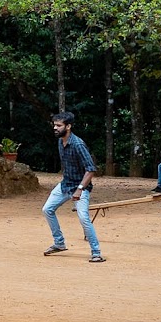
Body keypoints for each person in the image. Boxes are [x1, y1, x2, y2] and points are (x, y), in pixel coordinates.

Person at [42, 111, 104, 263]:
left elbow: (91, 169)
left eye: (59, 125)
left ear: (68, 126)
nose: (55, 128)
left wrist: (80, 189)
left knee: (83, 218)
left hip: (80, 186)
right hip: (65, 184)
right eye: (54, 125)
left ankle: (96, 252)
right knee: (47, 209)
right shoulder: (60, 141)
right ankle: (59, 243)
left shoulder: (78, 144)